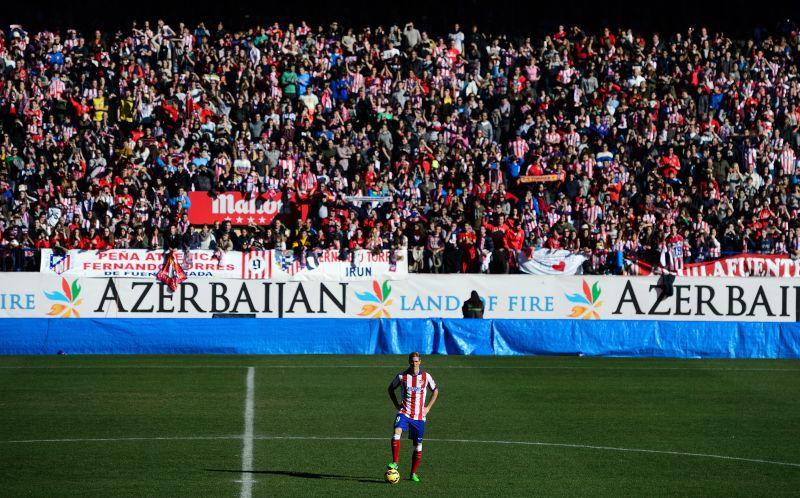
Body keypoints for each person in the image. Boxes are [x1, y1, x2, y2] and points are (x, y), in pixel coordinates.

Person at [387, 352, 439, 482]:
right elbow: (390, 389)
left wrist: (428, 408)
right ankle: (395, 462)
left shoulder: (426, 376)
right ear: (409, 361)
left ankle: (413, 473)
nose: (414, 363)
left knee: (418, 445)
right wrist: (396, 405)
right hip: (404, 412)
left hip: (419, 416)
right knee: (397, 431)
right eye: (412, 361)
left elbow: (436, 391)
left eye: (416, 361)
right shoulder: (401, 376)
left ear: (420, 362)